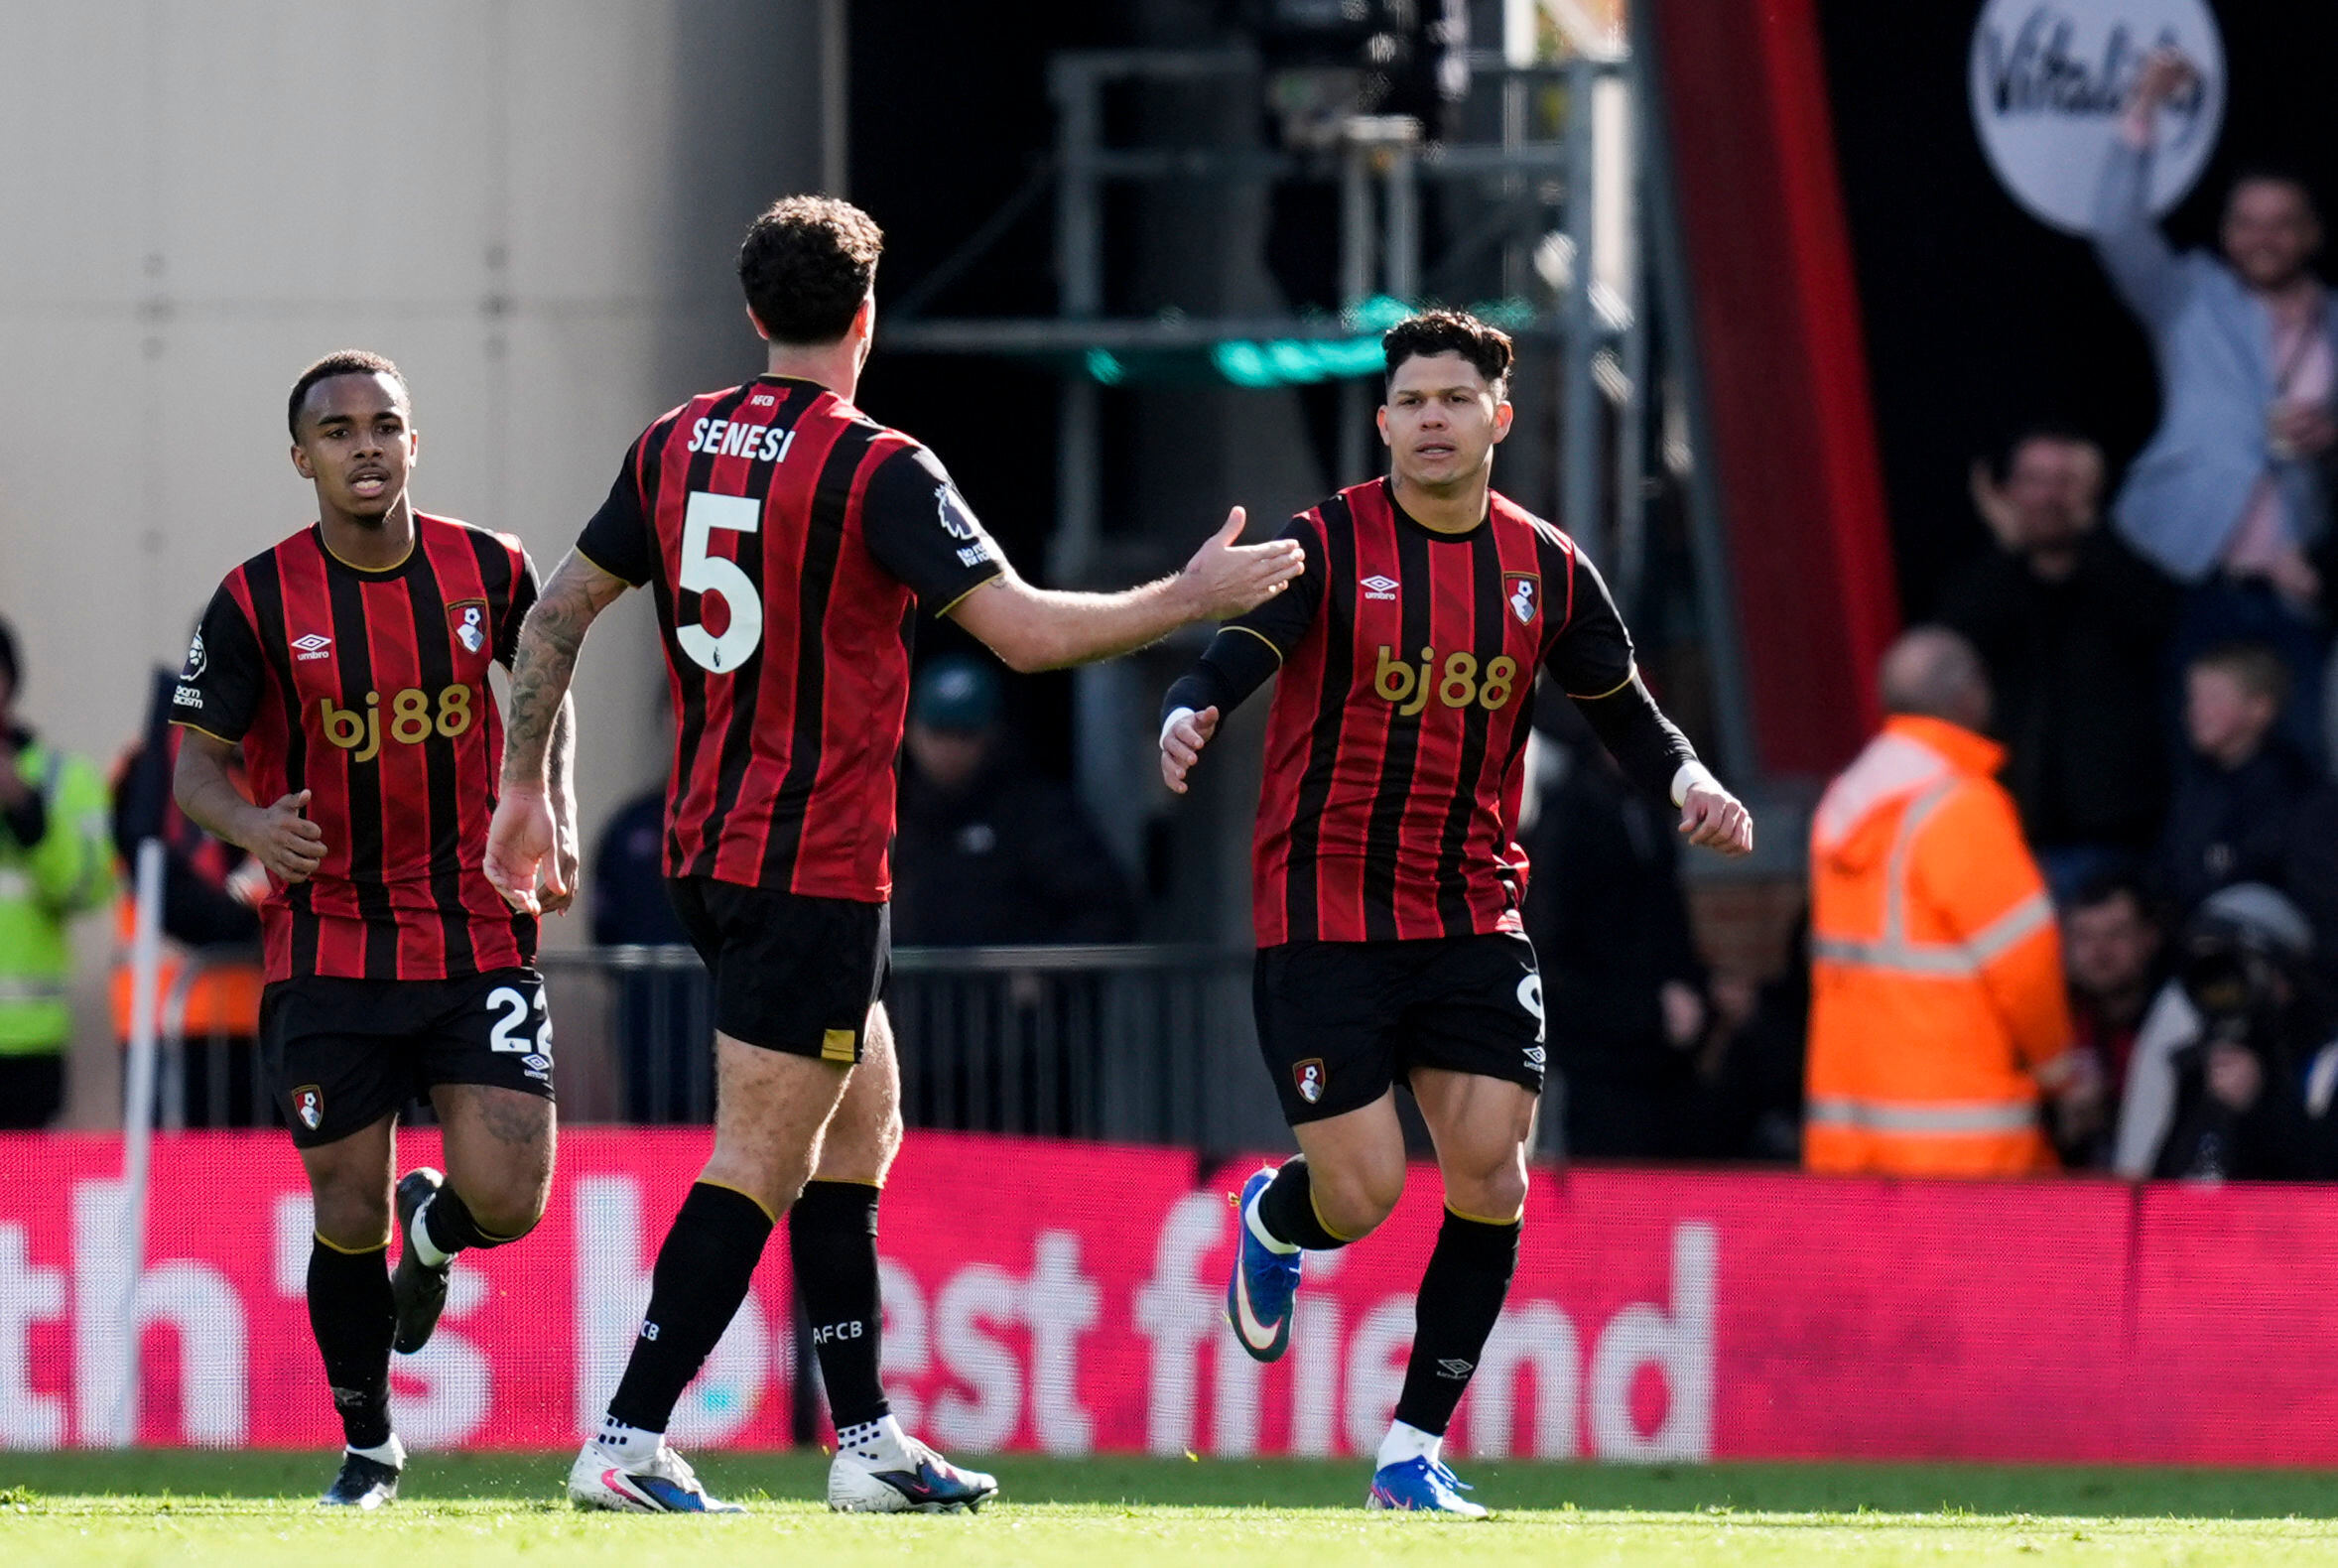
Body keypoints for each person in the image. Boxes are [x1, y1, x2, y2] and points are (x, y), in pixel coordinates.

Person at [481, 196, 1301, 1515]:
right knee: (761, 1152)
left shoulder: (673, 443)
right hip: (805, 863)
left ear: (756, 314)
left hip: (711, 843)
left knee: (862, 1120)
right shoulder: (878, 468)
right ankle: (626, 1437)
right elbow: (1028, 636)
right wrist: (1188, 599)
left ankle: (863, 1440)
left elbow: (559, 614)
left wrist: (523, 782)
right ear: (867, 317)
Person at [1157, 309, 1752, 1515]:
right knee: (1364, 1192)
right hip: (1323, 909)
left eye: (1454, 398)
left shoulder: (1544, 566)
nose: (1432, 418)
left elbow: (1622, 709)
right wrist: (1192, 703)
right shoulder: (1327, 541)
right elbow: (1242, 642)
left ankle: (1409, 1451)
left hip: (1472, 907)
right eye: (1412, 401)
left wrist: (1688, 776)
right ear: (1382, 422)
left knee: (1492, 1174)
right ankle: (1277, 1220)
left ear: (1498, 417)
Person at [170, 351, 575, 1507]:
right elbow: (197, 765)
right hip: (328, 939)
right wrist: (251, 822)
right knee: (344, 1206)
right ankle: (370, 1443)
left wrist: (547, 803)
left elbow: (542, 684)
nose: (365, 446)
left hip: (473, 923)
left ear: (414, 442)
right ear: (302, 458)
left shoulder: (489, 566)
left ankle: (437, 1234)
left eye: (385, 425)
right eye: (338, 431)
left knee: (514, 1195)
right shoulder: (254, 601)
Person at [2097, 49, 2338, 761]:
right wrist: (2141, 108)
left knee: (2308, 760)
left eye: (2283, 223)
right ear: (2227, 233)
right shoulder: (2188, 296)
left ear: (2312, 234)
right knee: (2193, 753)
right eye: (2248, 223)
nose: (2264, 239)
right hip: (2195, 576)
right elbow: (2116, 229)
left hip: (2302, 582)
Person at [1804, 628, 2098, 1175]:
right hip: (1967, 1150)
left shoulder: (1845, 806)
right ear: (1969, 694)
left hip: (1855, 1145)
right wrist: (2062, 1075)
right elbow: (2026, 969)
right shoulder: (1962, 809)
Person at [1938, 430, 2177, 891]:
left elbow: (2154, 619)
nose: (2048, 497)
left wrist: (2091, 530)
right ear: (2007, 492)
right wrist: (2005, 546)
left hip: (2117, 832)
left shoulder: (2117, 572)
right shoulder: (1993, 585)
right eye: (2034, 481)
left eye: (2063, 481)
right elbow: (1953, 645)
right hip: (2017, 832)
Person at [1516, 703, 1708, 1160]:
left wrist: (1687, 989)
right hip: (1599, 1056)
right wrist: (1644, 1009)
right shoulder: (1570, 820)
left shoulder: (1644, 808)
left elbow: (1666, 918)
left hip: (1655, 1049)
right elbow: (1556, 948)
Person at [892, 654, 1135, 947]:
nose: (950, 749)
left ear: (992, 734)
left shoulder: (1034, 815)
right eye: (939, 732)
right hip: (907, 993)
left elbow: (1104, 906)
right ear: (910, 734)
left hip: (1006, 992)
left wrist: (1044, 971)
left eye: (965, 734)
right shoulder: (889, 814)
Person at [0, 616, 112, 1128]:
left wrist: (25, 808)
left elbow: (86, 888)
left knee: (19, 1197)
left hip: (27, 1040)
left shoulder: (63, 778)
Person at [2152, 642, 2320, 922]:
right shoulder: (2196, 780)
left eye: (2214, 699)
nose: (2197, 711)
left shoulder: (2289, 788)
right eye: (2194, 698)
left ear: (2260, 708)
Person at [2058, 871, 2165, 1167]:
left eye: (2116, 934)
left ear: (2149, 938)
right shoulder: (2054, 1023)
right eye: (2084, 937)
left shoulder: (2177, 1020)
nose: (2099, 951)